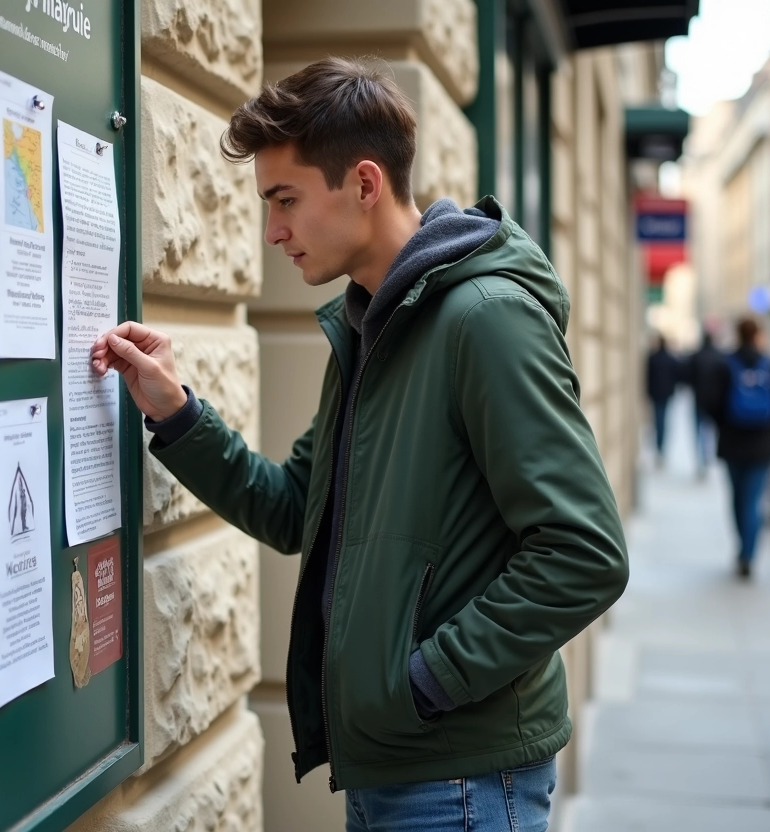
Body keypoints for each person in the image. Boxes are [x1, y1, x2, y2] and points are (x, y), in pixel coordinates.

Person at [90, 58, 628, 832]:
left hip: (461, 782)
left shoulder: (485, 320)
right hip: (397, 769)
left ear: (365, 184)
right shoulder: (373, 324)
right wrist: (176, 413)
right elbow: (290, 509)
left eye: (285, 200)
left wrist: (424, 683)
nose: (272, 231)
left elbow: (586, 552)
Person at [702, 317, 770, 578]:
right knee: (753, 501)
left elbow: (709, 403)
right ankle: (748, 555)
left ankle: (742, 548)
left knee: (737, 499)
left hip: (732, 444)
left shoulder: (725, 364)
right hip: (761, 445)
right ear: (757, 336)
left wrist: (725, 423)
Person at [686, 331, 724, 478]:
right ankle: (707, 457)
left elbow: (688, 376)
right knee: (710, 430)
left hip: (699, 399)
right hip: (714, 401)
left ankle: (702, 461)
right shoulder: (718, 356)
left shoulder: (696, 356)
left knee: (698, 431)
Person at [646, 334, 681, 466]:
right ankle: (660, 447)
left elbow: (648, 377)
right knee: (663, 421)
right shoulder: (670, 359)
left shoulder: (652, 358)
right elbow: (677, 376)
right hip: (666, 394)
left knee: (658, 420)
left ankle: (659, 447)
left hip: (656, 394)